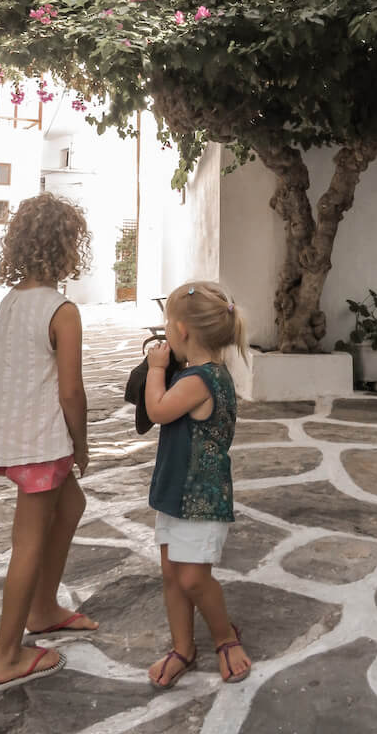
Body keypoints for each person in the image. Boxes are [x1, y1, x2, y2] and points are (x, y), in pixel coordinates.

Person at [0, 192, 99, 692]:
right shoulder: (62, 311)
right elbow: (71, 390)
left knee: (71, 505)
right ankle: (7, 655)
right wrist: (83, 442)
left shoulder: (11, 303)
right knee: (27, 543)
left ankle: (45, 608)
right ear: (68, 248)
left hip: (16, 437)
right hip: (42, 445)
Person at [145, 281, 252, 689]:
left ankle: (225, 636)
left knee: (192, 579)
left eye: (166, 325)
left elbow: (157, 410)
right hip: (178, 492)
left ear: (182, 331)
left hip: (199, 499)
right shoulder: (203, 373)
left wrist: (156, 369)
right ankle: (183, 648)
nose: (165, 333)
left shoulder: (198, 381)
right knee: (172, 575)